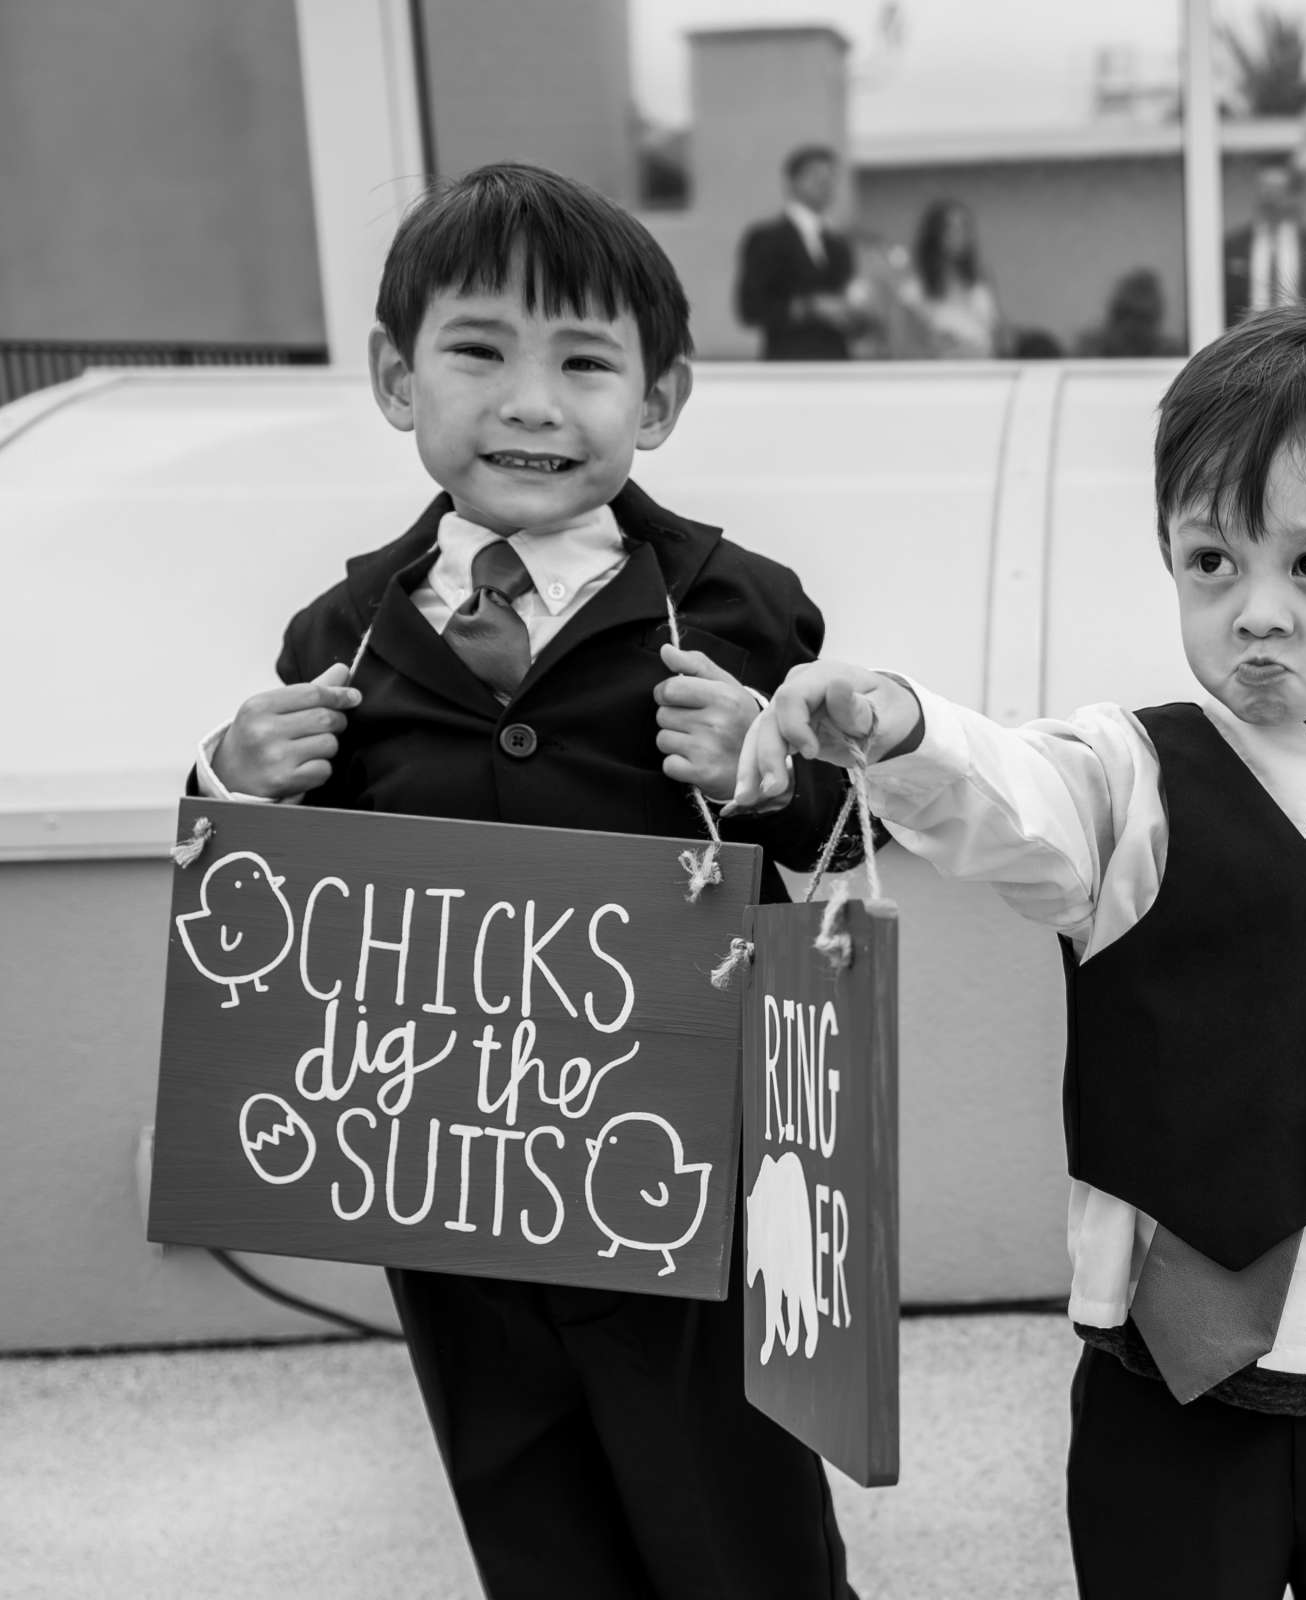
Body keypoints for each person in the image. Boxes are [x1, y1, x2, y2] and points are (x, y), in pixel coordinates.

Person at [734, 304, 1306, 1600]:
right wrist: (888, 718)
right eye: (1212, 561)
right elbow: (1007, 791)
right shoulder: (1130, 780)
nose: (1255, 613)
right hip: (1178, 1385)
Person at [193, 162, 860, 1600]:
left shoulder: (743, 606)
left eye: (585, 362)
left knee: (735, 1515)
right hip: (455, 1188)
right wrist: (228, 786)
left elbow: (844, 857)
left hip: (688, 1178)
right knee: (531, 1508)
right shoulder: (345, 629)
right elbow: (286, 921)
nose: (531, 403)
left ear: (660, 401)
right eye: (479, 351)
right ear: (395, 376)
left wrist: (771, 771)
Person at [735, 144, 864, 361]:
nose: (825, 183)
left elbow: (850, 305)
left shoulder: (838, 243)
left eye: (831, 176)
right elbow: (750, 308)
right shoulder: (767, 238)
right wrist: (811, 307)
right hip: (789, 361)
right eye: (815, 175)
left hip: (837, 361)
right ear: (792, 181)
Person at [1223, 163, 1306, 323]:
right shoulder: (1233, 245)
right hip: (1245, 339)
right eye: (1265, 189)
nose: (1270, 197)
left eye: (1277, 190)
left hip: (1300, 338)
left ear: (1292, 196)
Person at [893, 199, 1005, 359]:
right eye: (952, 228)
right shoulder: (914, 291)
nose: (960, 236)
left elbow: (1000, 333)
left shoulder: (980, 281)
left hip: (987, 365)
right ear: (936, 234)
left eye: (964, 227)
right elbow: (903, 348)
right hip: (944, 373)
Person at [1073, 267, 1180, 358]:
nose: (1131, 326)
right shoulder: (1090, 351)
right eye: (1124, 314)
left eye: (1141, 317)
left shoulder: (1169, 356)